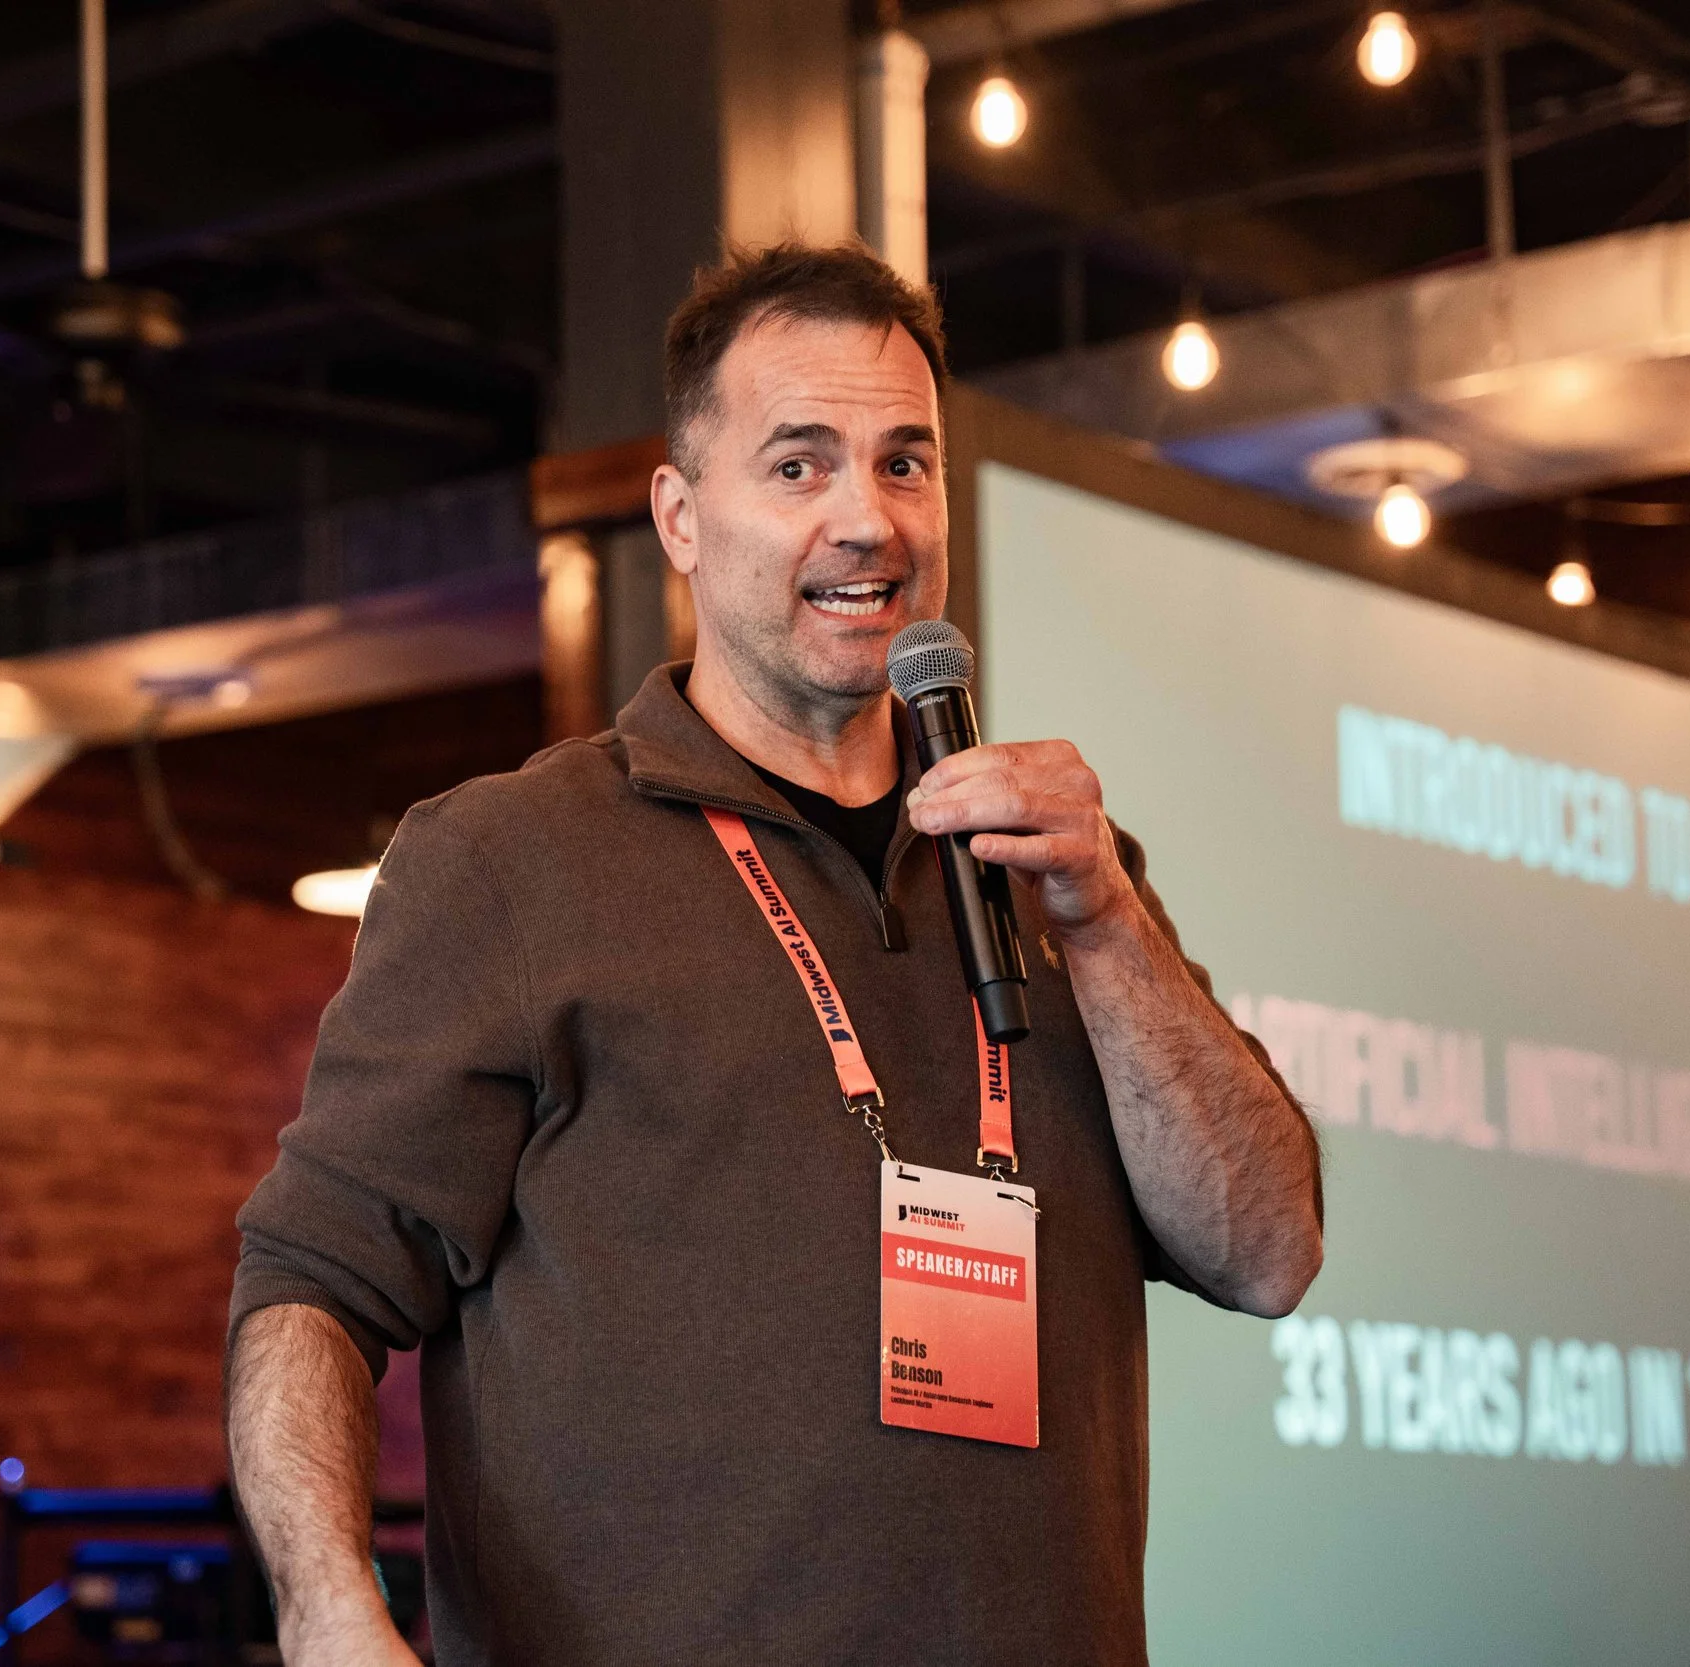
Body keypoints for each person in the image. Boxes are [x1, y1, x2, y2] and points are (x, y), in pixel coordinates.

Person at [225, 243, 1323, 1667]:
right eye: (799, 466)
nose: (867, 518)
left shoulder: (1054, 867)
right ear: (680, 517)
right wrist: (328, 1614)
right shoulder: (508, 861)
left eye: (905, 463)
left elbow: (1269, 1250)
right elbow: (308, 1285)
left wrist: (1106, 918)